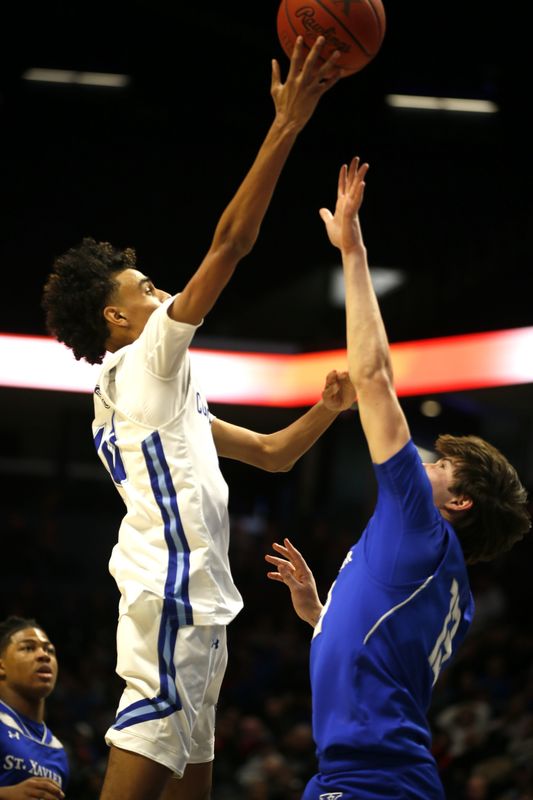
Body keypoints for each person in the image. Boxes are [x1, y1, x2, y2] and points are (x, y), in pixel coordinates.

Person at [41, 36, 354, 800]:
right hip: (173, 599)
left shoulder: (147, 399)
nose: (162, 290)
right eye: (147, 286)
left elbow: (273, 455)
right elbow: (232, 242)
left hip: (195, 607)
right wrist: (287, 126)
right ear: (117, 316)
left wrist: (326, 408)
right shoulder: (145, 360)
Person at [265, 157, 531, 799]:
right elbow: (383, 665)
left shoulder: (420, 526)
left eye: (440, 467)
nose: (423, 465)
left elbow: (376, 376)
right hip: (366, 778)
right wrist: (321, 617)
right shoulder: (453, 592)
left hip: (373, 783)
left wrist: (353, 250)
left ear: (459, 500)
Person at [0, 616, 69, 799]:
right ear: (1, 665)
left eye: (50, 650)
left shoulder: (58, 751)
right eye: (28, 648)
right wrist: (6, 794)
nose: (44, 655)